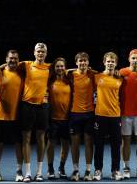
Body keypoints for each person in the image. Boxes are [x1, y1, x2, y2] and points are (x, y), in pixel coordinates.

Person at [0, 50, 24, 182]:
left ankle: (19, 172)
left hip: (17, 116)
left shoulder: (22, 73)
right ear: (6, 58)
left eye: (15, 58)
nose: (13, 60)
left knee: (18, 144)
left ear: (18, 60)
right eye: (10, 58)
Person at [19, 43, 50, 182]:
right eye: (38, 51)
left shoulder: (50, 68)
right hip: (27, 106)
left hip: (42, 107)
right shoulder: (26, 64)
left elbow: (66, 70)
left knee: (41, 138)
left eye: (43, 51)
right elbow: (9, 64)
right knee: (26, 138)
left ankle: (38, 172)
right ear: (34, 52)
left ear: (46, 53)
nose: (40, 53)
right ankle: (27, 172)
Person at [93, 52, 123, 181]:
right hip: (100, 115)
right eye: (108, 61)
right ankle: (98, 170)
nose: (110, 63)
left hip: (115, 116)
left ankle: (115, 170)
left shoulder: (120, 78)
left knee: (116, 145)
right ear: (104, 62)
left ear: (116, 64)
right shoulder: (96, 76)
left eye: (113, 62)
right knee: (99, 145)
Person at [119, 49, 137, 179]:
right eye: (133, 58)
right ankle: (126, 167)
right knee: (125, 142)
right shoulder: (122, 72)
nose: (135, 60)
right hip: (125, 113)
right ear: (129, 59)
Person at [68, 52, 95, 181]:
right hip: (75, 113)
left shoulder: (93, 75)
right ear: (76, 62)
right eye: (80, 61)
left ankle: (88, 171)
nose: (83, 63)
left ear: (88, 63)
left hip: (90, 113)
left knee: (89, 142)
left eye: (85, 61)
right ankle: (75, 170)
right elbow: (63, 70)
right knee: (75, 143)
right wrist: (74, 69)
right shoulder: (71, 75)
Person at [46, 58, 72, 180]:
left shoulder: (70, 81)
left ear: (65, 68)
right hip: (52, 118)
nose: (60, 68)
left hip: (67, 118)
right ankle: (50, 168)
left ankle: (61, 168)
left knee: (65, 144)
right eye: (57, 66)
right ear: (54, 68)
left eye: (62, 66)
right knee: (51, 144)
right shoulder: (49, 81)